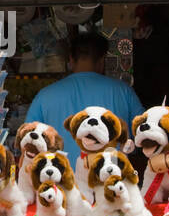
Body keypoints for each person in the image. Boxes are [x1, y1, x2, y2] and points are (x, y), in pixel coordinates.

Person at [24, 30, 143, 166]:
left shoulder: (45, 96)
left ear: (71, 60)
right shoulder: (123, 91)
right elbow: (145, 133)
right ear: (102, 60)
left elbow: (28, 143)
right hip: (111, 181)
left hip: (61, 181)